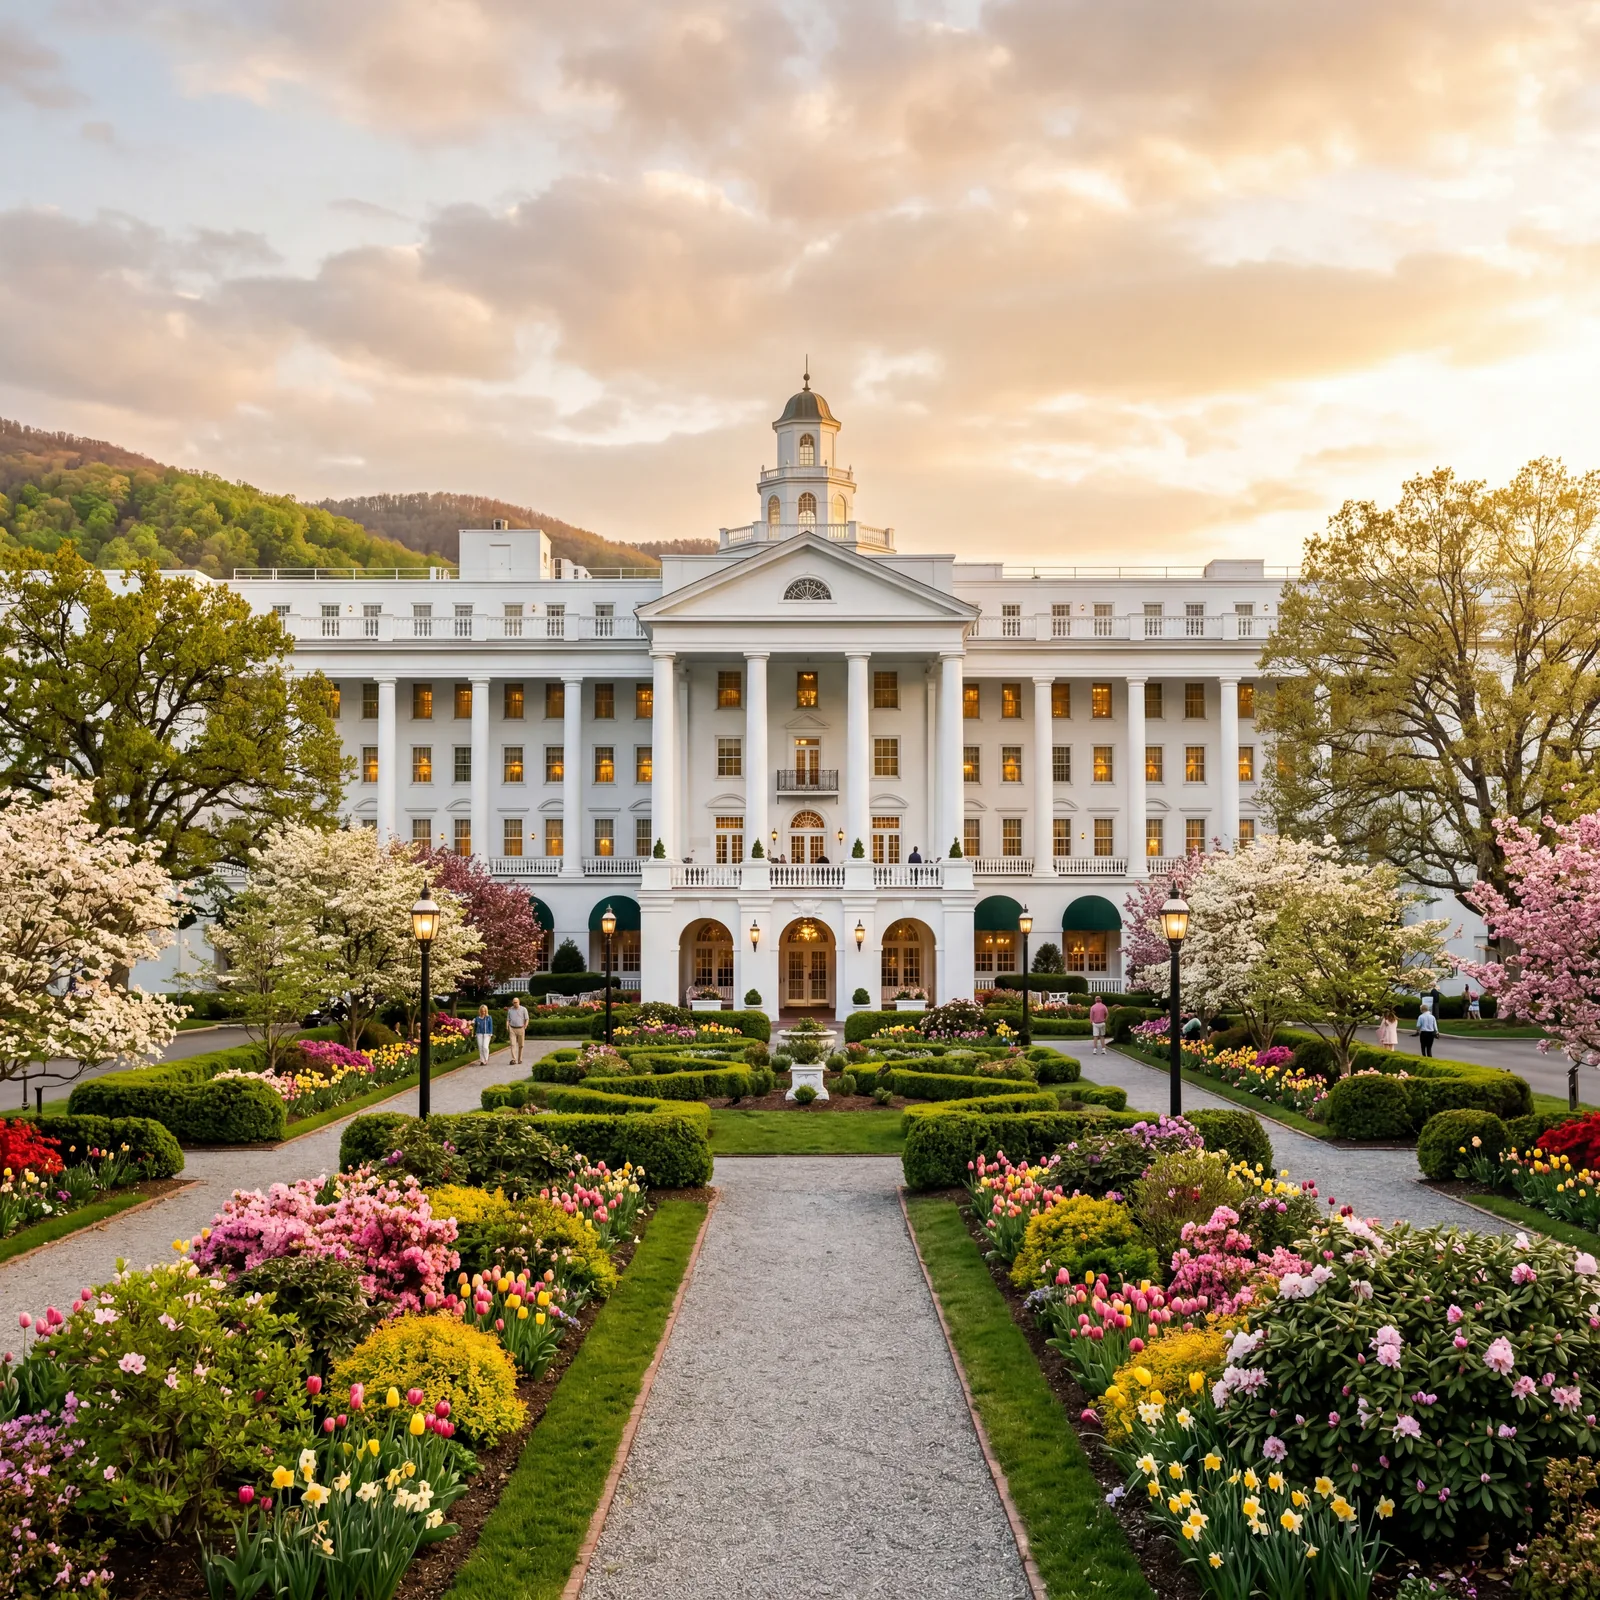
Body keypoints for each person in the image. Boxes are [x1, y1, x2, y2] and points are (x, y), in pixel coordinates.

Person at [506, 996, 529, 1065]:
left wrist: (525, 1025)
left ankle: (520, 1059)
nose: (514, 1003)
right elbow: (508, 1019)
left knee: (521, 1045)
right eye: (513, 1002)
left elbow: (527, 1018)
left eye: (516, 1002)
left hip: (521, 1028)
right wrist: (507, 1026)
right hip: (512, 1028)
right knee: (512, 1044)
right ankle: (513, 1059)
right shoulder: (510, 1010)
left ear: (519, 1002)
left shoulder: (524, 1009)